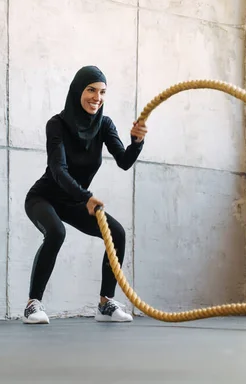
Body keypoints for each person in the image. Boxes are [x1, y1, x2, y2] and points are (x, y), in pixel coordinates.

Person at [22, 65, 148, 324]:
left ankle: (105, 304)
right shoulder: (56, 125)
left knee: (117, 233)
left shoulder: (104, 125)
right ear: (78, 90)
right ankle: (32, 304)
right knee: (56, 232)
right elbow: (58, 170)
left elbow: (124, 161)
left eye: (102, 92)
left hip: (75, 201)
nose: (97, 97)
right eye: (91, 90)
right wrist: (86, 196)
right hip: (44, 197)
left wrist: (136, 143)